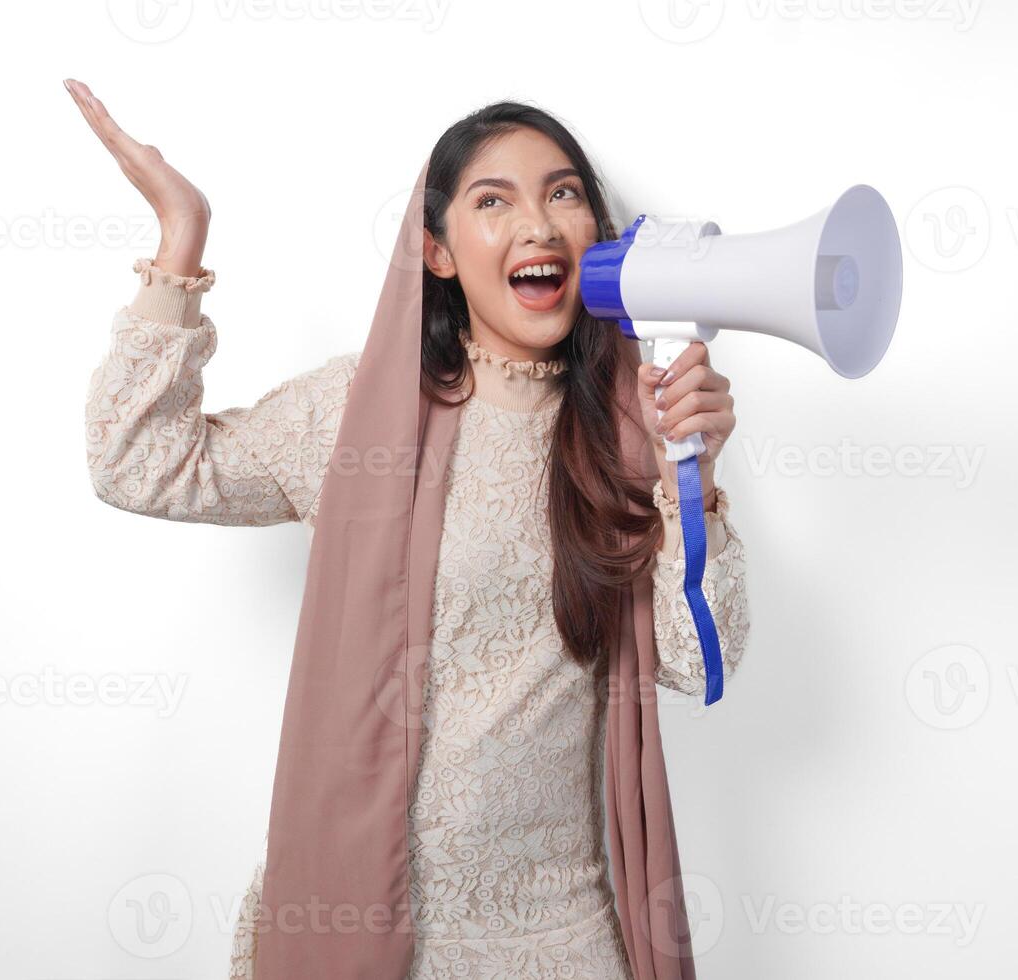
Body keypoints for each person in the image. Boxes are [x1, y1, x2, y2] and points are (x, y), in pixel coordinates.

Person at [66, 79, 750, 979]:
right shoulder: (357, 417)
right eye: (493, 201)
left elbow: (699, 662)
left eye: (564, 193)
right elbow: (141, 463)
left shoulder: (638, 429)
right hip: (357, 918)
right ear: (435, 250)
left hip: (559, 941)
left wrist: (689, 484)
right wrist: (179, 243)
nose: (538, 225)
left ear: (595, 240)